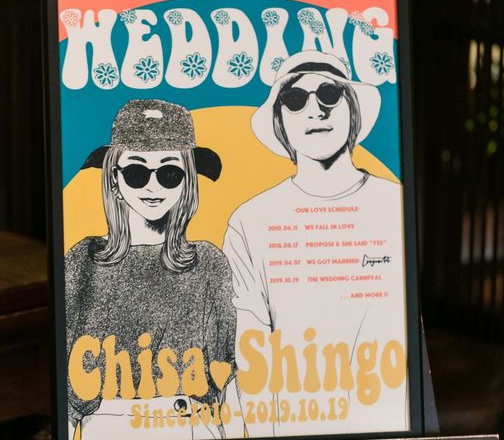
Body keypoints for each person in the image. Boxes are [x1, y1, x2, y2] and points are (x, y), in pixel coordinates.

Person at [223, 51, 408, 436]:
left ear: (352, 108)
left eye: (329, 93)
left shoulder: (396, 205)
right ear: (280, 121)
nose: (315, 110)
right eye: (294, 99)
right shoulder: (250, 222)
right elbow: (250, 355)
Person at [65, 99, 242, 440]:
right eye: (136, 173)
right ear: (114, 179)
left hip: (193, 425)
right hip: (107, 427)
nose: (153, 186)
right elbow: (66, 377)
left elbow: (229, 374)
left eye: (169, 174)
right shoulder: (82, 261)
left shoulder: (209, 263)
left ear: (187, 180)